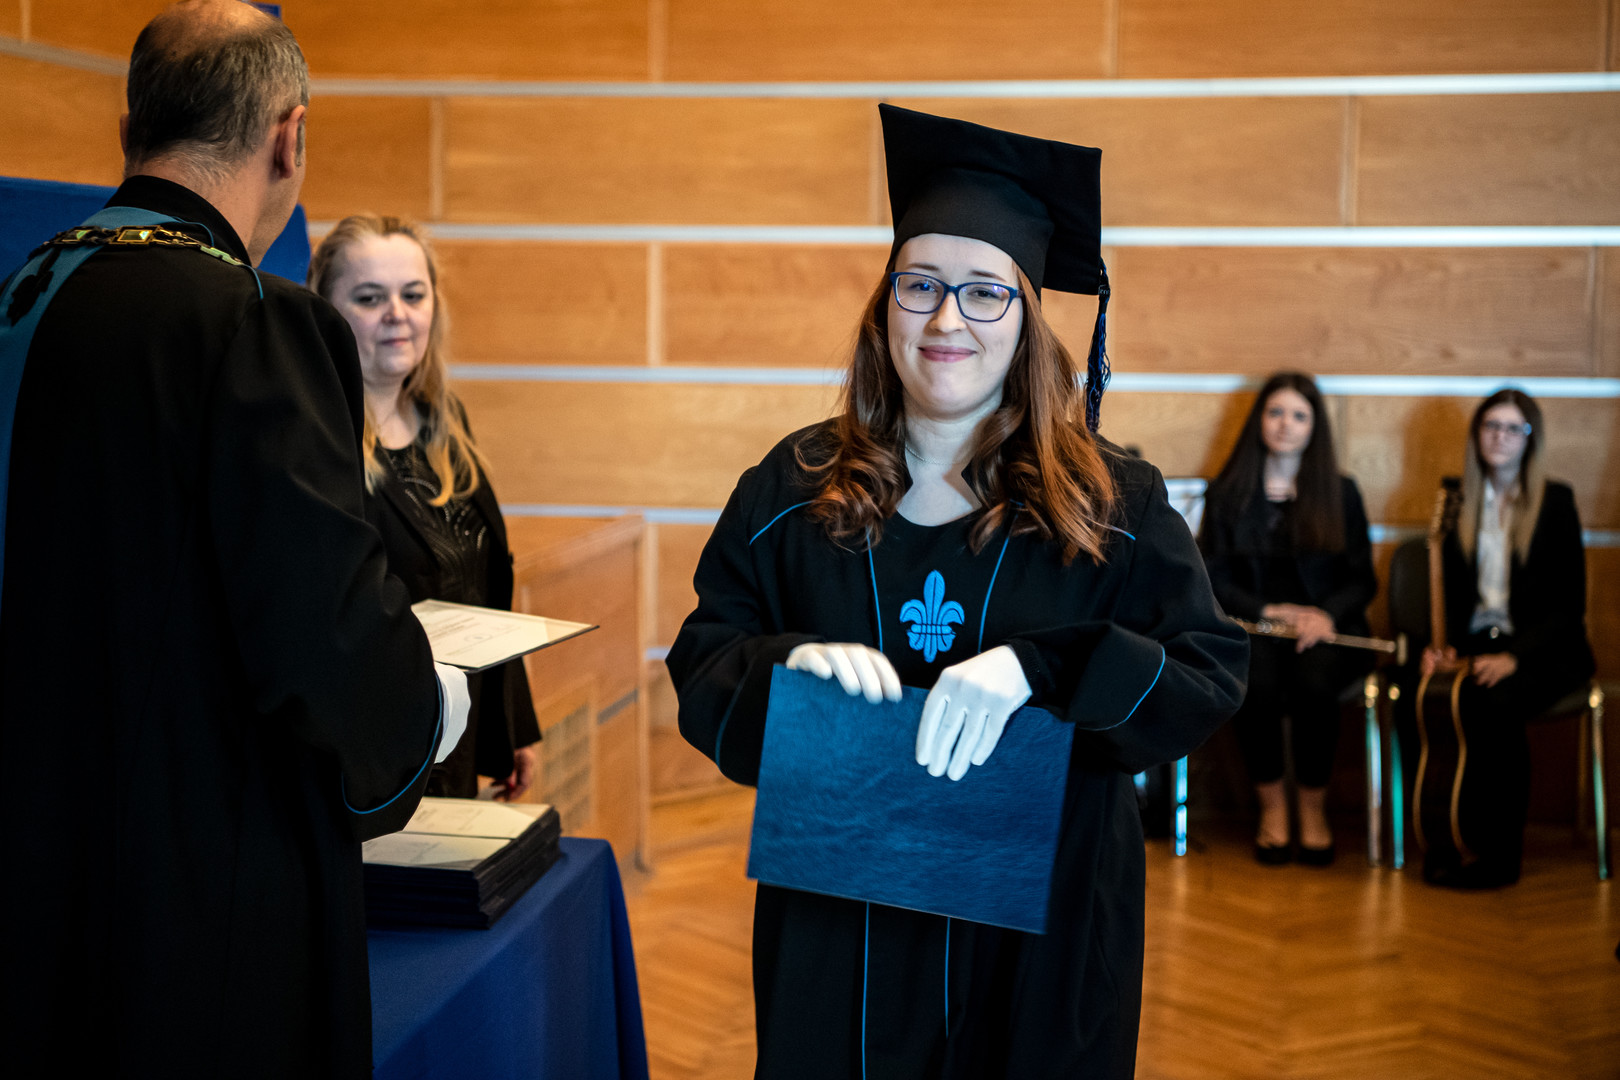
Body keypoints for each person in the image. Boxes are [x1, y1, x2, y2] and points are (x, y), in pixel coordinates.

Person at [666, 104, 1247, 1080]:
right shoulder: (792, 491)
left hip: (1044, 938)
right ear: (884, 304)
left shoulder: (1112, 504)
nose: (946, 320)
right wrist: (790, 669)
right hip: (845, 937)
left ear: (1026, 319)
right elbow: (703, 661)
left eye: (984, 293)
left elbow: (1208, 672)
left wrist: (1043, 668)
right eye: (921, 284)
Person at [0, 3, 469, 1075]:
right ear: (288, 138)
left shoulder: (21, 297)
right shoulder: (253, 317)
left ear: (133, 126)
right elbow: (324, 628)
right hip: (189, 885)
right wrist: (426, 708)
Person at [309, 215, 540, 800]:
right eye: (369, 298)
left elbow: (484, 584)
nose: (398, 314)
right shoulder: (320, 441)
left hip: (457, 733)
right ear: (326, 308)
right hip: (378, 754)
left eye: (413, 295)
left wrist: (512, 726)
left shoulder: (445, 421)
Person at [1416, 388, 1594, 888]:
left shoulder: (1555, 502)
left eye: (1514, 428)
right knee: (1431, 698)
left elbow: (1568, 606)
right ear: (1477, 434)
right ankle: (1450, 837)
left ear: (1530, 438)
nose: (1500, 437)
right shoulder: (1458, 499)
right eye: (1491, 426)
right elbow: (1451, 593)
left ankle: (1500, 856)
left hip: (1546, 653)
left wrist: (1515, 657)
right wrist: (1444, 646)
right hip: (1481, 644)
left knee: (1496, 705)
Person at [1198, 372, 1377, 866]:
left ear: (1314, 427)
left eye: (1299, 415)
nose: (1285, 424)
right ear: (1259, 420)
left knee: (1314, 684)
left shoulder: (1341, 492)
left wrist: (1325, 615)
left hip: (1325, 630)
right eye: (1275, 412)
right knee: (1255, 683)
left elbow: (1362, 579)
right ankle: (1273, 807)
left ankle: (1313, 809)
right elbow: (1212, 575)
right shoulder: (1227, 492)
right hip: (1253, 625)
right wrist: (1268, 611)